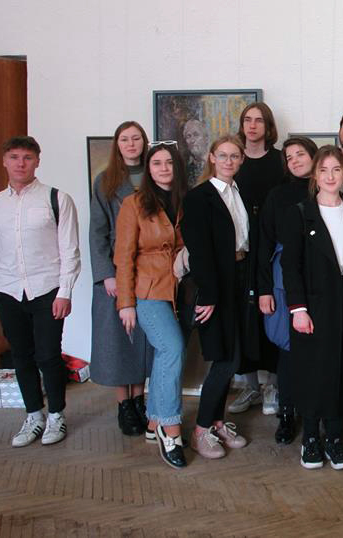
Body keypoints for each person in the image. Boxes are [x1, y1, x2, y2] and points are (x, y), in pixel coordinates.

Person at [282, 146, 343, 470]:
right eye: (323, 170)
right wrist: (298, 309)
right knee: (314, 370)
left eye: (336, 169)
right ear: (315, 175)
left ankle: (335, 437)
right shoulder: (300, 213)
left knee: (341, 368)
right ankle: (311, 437)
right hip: (314, 303)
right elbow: (290, 266)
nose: (330, 176)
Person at [0, 136, 81, 447]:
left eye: (27, 157)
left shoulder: (56, 199)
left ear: (37, 161)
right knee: (21, 356)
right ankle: (34, 415)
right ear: (4, 161)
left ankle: (56, 416)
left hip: (47, 290)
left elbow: (70, 249)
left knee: (48, 355)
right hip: (8, 293)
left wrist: (65, 291)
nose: (20, 163)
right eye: (14, 157)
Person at [114, 141, 190, 469]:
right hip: (146, 289)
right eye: (157, 163)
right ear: (148, 169)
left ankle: (154, 421)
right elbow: (123, 256)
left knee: (165, 353)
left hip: (179, 288)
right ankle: (171, 430)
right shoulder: (133, 203)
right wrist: (125, 303)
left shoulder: (184, 200)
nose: (163, 168)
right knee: (172, 348)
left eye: (169, 163)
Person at [180, 135, 254, 459]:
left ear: (241, 160)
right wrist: (208, 295)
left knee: (233, 355)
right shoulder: (199, 197)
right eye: (222, 155)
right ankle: (200, 431)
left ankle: (217, 422)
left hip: (239, 277)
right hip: (216, 285)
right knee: (225, 359)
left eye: (234, 156)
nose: (228, 161)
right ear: (211, 157)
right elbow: (199, 252)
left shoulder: (240, 193)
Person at [88, 121, 154, 436]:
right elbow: (97, 232)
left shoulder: (154, 174)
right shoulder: (105, 181)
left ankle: (139, 399)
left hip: (148, 270)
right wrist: (106, 275)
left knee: (141, 339)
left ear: (144, 142)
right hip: (115, 271)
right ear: (117, 144)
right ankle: (123, 405)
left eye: (136, 138)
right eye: (125, 139)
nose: (131, 144)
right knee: (117, 341)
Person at [256, 136, 317, 444]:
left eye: (300, 154)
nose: (294, 160)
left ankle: (315, 411)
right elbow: (264, 243)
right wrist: (264, 289)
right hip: (283, 280)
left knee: (318, 347)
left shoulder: (326, 190)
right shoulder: (277, 195)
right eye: (289, 157)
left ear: (314, 156)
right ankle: (287, 413)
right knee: (289, 348)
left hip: (320, 279)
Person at [227, 102, 286, 418]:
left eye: (259, 120)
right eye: (247, 120)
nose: (252, 126)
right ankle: (250, 386)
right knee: (243, 319)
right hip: (240, 252)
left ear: (268, 126)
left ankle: (272, 385)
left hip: (272, 249)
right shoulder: (234, 161)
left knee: (273, 313)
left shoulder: (279, 161)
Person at [182, 119, 209, 187]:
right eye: (188, 136)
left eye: (196, 135)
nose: (192, 140)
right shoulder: (185, 171)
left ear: (206, 138)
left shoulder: (218, 164)